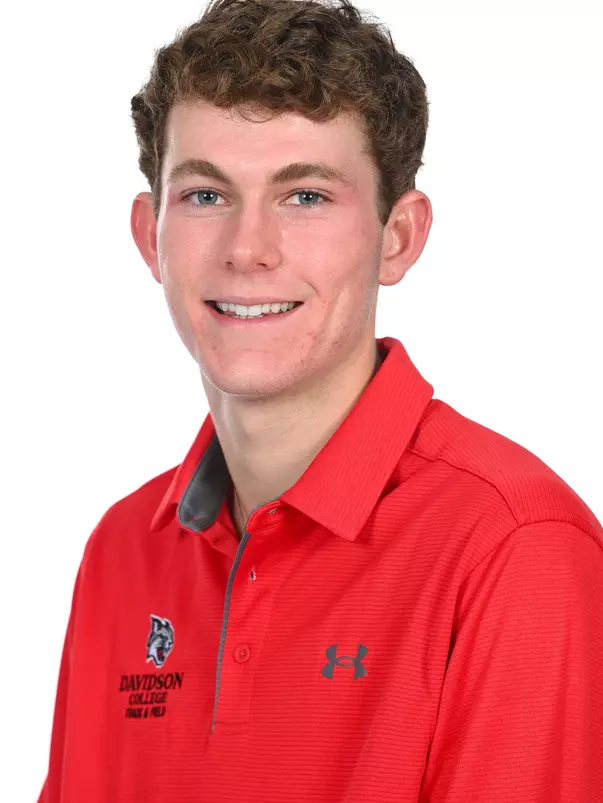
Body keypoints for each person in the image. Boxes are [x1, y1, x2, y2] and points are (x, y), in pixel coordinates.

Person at [38, 0, 603, 800]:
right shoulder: (121, 551)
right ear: (148, 235)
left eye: (304, 196)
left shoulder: (513, 550)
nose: (247, 250)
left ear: (397, 238)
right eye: (205, 195)